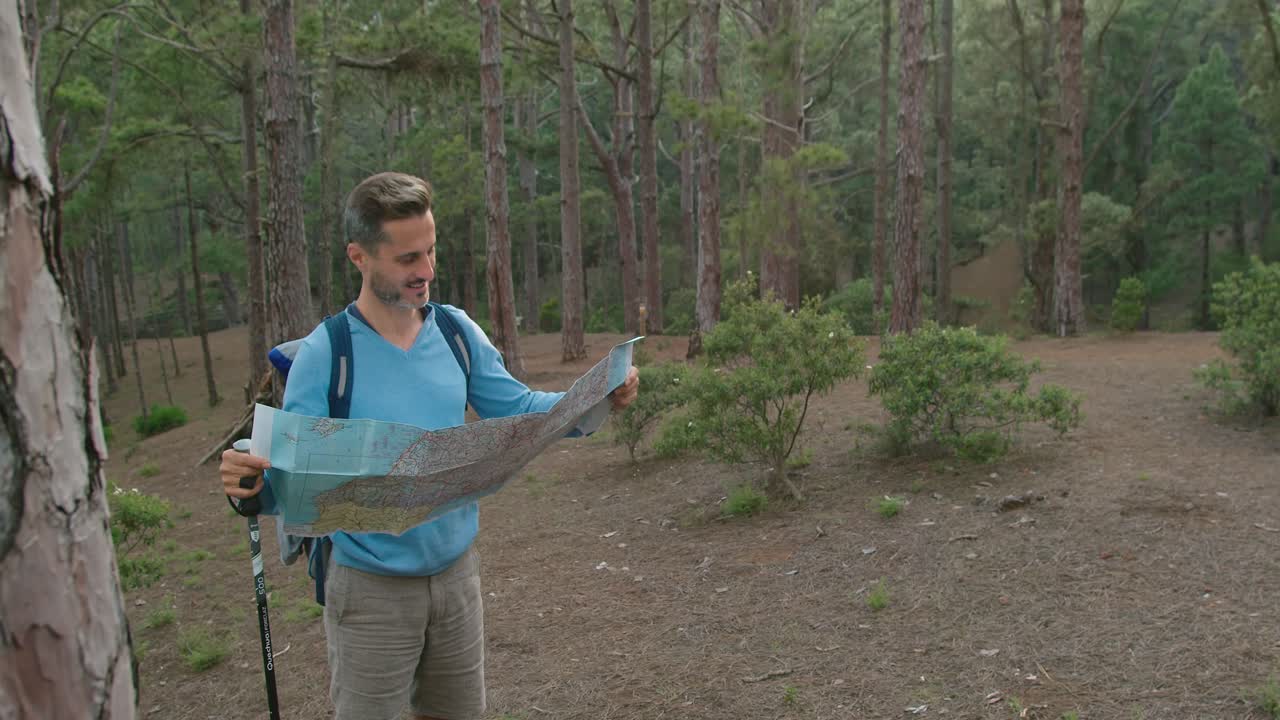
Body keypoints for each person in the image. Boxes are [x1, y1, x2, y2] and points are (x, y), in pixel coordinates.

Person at [220, 171, 640, 720]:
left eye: (431, 251)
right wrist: (249, 485)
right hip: (369, 593)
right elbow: (289, 481)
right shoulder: (327, 355)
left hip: (456, 580)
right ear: (359, 257)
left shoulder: (456, 333)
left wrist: (595, 396)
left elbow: (518, 409)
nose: (426, 271)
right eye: (407, 258)